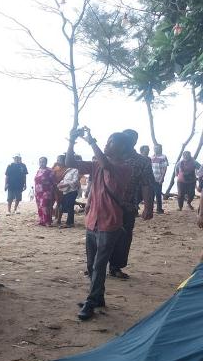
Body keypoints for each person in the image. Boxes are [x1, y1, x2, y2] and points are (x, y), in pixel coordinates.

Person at [66, 128, 131, 320]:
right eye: (108, 140)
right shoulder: (97, 164)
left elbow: (106, 163)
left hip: (109, 223)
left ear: (123, 148)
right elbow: (70, 163)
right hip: (92, 221)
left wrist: (91, 141)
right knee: (91, 264)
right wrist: (71, 141)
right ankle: (98, 297)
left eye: (112, 141)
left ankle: (91, 301)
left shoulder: (125, 168)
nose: (107, 143)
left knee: (99, 265)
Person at [108, 129, 154, 280]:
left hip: (127, 205)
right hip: (105, 204)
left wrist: (148, 207)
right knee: (99, 235)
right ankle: (95, 266)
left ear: (134, 142)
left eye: (131, 139)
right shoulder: (108, 157)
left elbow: (146, 184)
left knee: (123, 237)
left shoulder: (142, 161)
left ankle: (115, 267)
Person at [56, 158, 81, 228]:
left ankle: (69, 223)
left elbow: (75, 181)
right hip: (65, 191)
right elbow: (64, 180)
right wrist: (60, 184)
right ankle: (69, 222)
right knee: (65, 206)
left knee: (70, 207)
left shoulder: (76, 170)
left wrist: (65, 185)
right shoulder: (68, 169)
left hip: (72, 190)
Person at [34, 157, 56, 226]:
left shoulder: (49, 170)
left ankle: (47, 221)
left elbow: (53, 181)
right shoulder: (39, 170)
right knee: (40, 206)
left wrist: (53, 191)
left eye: (43, 161)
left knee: (45, 206)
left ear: (46, 162)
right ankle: (42, 220)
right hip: (38, 192)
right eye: (40, 161)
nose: (41, 163)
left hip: (46, 191)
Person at [151, 144, 169, 213]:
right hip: (151, 178)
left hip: (158, 178)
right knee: (151, 195)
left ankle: (159, 209)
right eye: (155, 148)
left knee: (158, 194)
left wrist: (162, 178)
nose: (155, 149)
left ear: (160, 149)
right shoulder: (152, 157)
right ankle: (151, 209)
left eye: (157, 148)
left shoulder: (163, 157)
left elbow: (165, 168)